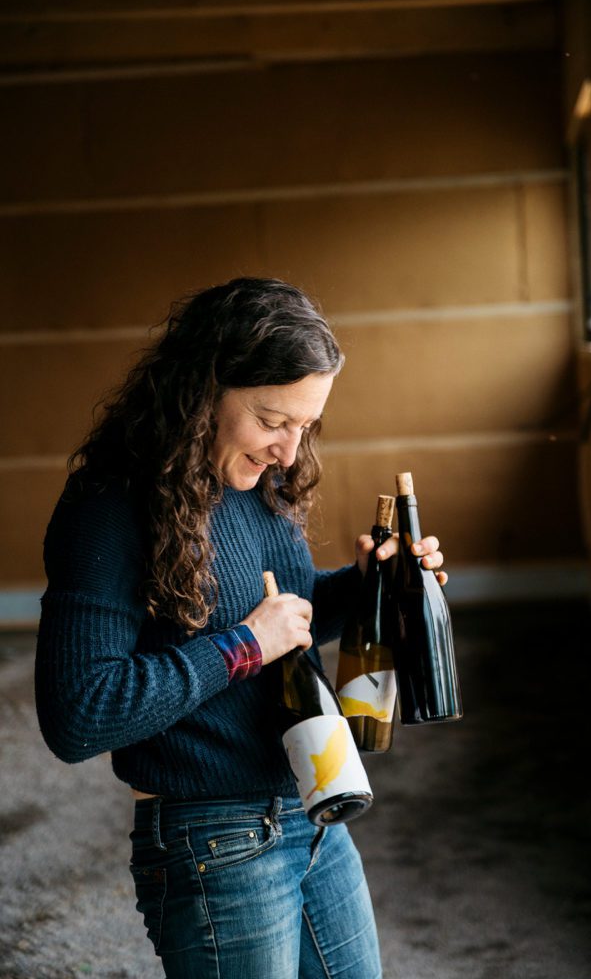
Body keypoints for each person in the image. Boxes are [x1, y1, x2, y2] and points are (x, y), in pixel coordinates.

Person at [35, 277, 447, 979]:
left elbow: (282, 615)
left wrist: (373, 587)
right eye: (271, 420)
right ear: (202, 393)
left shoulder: (257, 485)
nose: (289, 451)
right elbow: (79, 714)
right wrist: (243, 647)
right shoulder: (109, 507)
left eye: (305, 426)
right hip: (212, 840)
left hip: (309, 806)